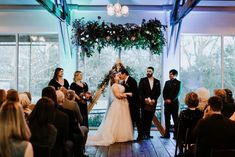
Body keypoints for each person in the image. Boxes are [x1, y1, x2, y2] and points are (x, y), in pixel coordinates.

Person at [86, 72, 133, 146]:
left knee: (122, 120)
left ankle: (122, 136)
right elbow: (118, 95)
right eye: (117, 75)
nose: (119, 76)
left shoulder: (119, 84)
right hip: (118, 104)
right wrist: (127, 94)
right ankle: (115, 136)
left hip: (123, 105)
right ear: (114, 78)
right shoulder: (114, 85)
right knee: (116, 121)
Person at [119, 68, 143, 141]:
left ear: (124, 74)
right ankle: (130, 136)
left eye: (121, 74)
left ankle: (140, 135)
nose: (120, 76)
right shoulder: (123, 82)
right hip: (128, 104)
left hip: (135, 103)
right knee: (131, 120)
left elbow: (134, 93)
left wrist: (125, 94)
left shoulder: (132, 81)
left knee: (137, 119)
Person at [176, 92, 203, 156]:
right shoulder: (201, 113)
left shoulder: (183, 113)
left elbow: (179, 127)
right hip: (197, 137)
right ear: (197, 101)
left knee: (179, 130)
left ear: (187, 101)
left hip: (185, 137)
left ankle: (180, 151)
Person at [139, 67, 161, 139]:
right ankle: (142, 134)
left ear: (152, 72)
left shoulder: (157, 81)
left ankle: (148, 134)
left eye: (150, 71)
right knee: (143, 119)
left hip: (153, 103)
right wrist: (145, 98)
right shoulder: (142, 80)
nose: (148, 72)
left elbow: (158, 92)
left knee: (149, 119)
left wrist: (154, 99)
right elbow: (140, 91)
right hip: (144, 102)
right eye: (147, 71)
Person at [162, 69, 181, 138]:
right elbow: (164, 92)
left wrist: (171, 100)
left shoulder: (179, 82)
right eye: (169, 74)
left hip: (174, 104)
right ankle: (167, 134)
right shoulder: (167, 82)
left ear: (175, 75)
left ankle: (176, 135)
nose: (170, 75)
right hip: (167, 104)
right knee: (167, 119)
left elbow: (177, 93)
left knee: (175, 119)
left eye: (172, 74)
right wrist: (165, 99)